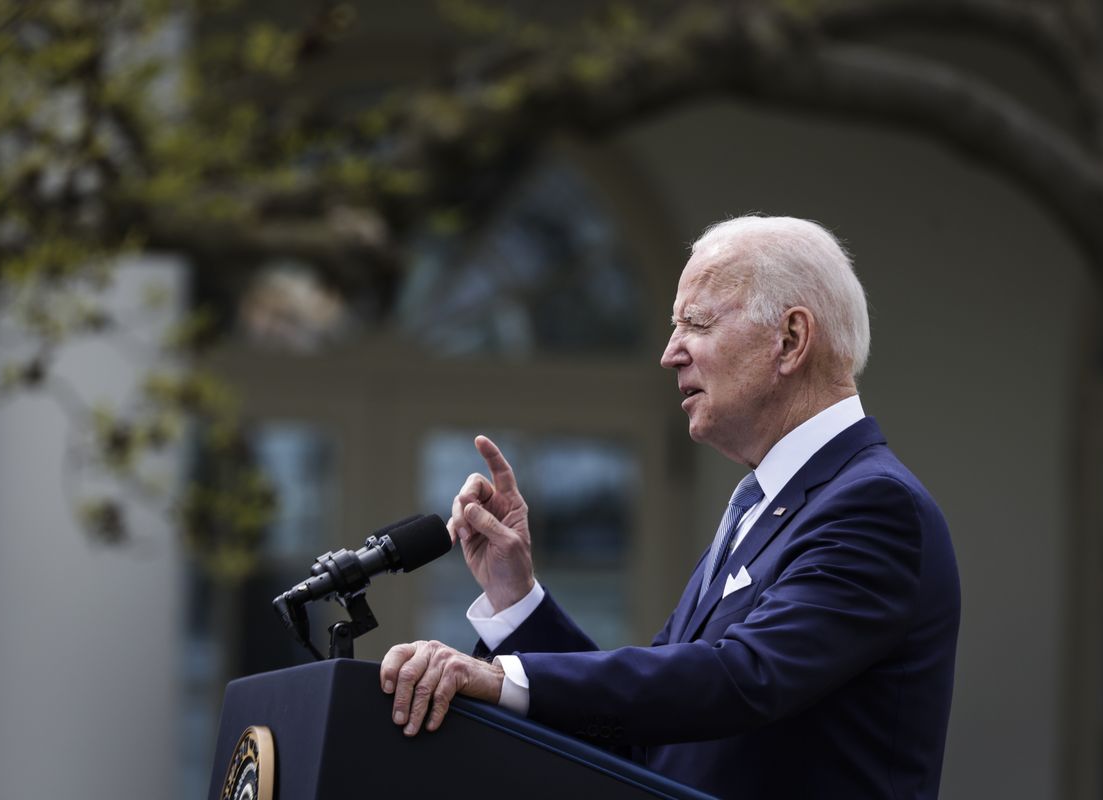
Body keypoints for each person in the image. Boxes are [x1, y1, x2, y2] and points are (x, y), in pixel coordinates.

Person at [380, 215, 960, 799]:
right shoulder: (766, 505)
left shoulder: (874, 505)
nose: (669, 354)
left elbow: (744, 678)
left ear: (790, 339)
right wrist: (516, 601)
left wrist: (499, 677)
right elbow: (649, 735)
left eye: (696, 323)